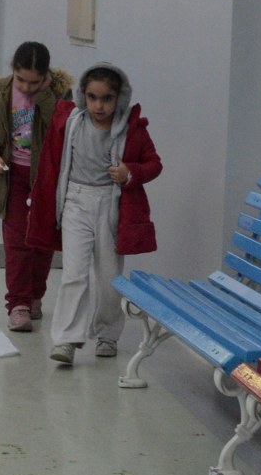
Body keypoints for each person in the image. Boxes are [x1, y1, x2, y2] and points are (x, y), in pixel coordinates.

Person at [25, 64, 163, 368]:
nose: (99, 106)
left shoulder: (132, 129)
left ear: (119, 98)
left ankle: (107, 334)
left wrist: (130, 173)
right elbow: (51, 162)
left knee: (108, 277)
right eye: (92, 97)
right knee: (73, 273)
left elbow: (154, 164)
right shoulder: (71, 121)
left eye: (107, 99)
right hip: (75, 202)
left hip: (111, 207)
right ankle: (66, 339)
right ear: (82, 96)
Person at [0, 41, 73, 330]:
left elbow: (64, 128)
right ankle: (18, 304)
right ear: (13, 71)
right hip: (12, 176)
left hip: (47, 179)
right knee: (17, 242)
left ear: (47, 77)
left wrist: (45, 96)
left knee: (42, 242)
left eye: (35, 82)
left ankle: (34, 296)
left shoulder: (59, 94)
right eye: (21, 80)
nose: (27, 87)